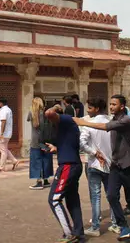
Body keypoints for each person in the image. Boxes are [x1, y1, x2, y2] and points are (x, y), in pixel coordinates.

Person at [74, 95, 130, 239]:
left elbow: (105, 127)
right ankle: (123, 225)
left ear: (122, 106)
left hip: (129, 165)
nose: (111, 106)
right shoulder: (112, 119)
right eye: (110, 104)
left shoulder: (125, 120)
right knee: (112, 195)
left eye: (114, 104)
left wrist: (83, 122)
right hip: (115, 165)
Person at [43, 104, 84, 243]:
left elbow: (49, 113)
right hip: (72, 164)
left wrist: (54, 107)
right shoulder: (65, 126)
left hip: (68, 166)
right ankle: (78, 233)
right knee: (72, 201)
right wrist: (56, 148)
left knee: (54, 199)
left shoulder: (66, 119)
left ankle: (69, 233)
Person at [79, 98, 120, 237]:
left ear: (96, 109)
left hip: (94, 164)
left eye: (90, 108)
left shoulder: (89, 124)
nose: (88, 110)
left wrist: (94, 153)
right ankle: (115, 224)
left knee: (95, 197)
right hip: (110, 164)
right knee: (112, 196)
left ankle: (95, 227)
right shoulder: (112, 123)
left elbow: (82, 143)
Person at [27, 97, 53, 190]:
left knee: (36, 161)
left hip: (35, 140)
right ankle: (46, 180)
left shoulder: (32, 113)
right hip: (45, 140)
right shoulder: (46, 113)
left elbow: (28, 119)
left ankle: (38, 182)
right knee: (46, 160)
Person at [0, 97, 19, 172]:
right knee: (4, 149)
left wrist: (1, 133)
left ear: (1, 103)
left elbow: (3, 122)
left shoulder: (4, 110)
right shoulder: (7, 110)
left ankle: (1, 167)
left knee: (3, 151)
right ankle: (14, 161)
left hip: (3, 134)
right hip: (6, 133)